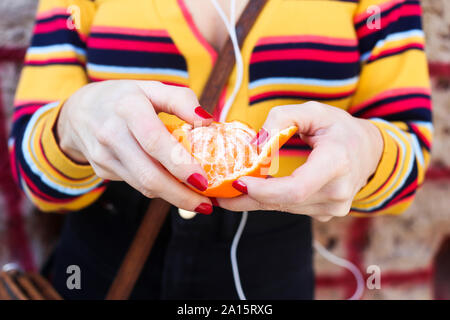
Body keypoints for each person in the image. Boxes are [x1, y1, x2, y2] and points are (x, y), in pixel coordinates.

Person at [10, 0, 432, 299]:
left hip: (269, 268)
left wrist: (368, 153)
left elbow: (408, 151)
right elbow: (33, 174)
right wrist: (70, 127)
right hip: (105, 257)